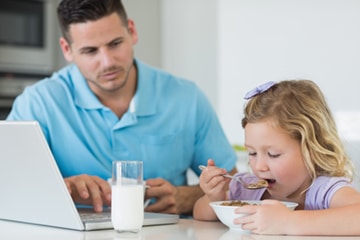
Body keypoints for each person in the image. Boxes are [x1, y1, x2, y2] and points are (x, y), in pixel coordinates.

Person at [6, 0, 237, 216]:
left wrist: (188, 197)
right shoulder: (38, 103)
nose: (107, 62)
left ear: (132, 31)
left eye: (115, 44)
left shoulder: (186, 98)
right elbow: (8, 187)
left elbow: (233, 183)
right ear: (67, 49)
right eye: (90, 51)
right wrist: (61, 187)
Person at [193, 80, 360, 235]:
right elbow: (200, 214)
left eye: (273, 154)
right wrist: (214, 197)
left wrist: (288, 222)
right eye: (252, 153)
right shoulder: (247, 189)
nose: (259, 166)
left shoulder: (323, 190)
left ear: (311, 149)